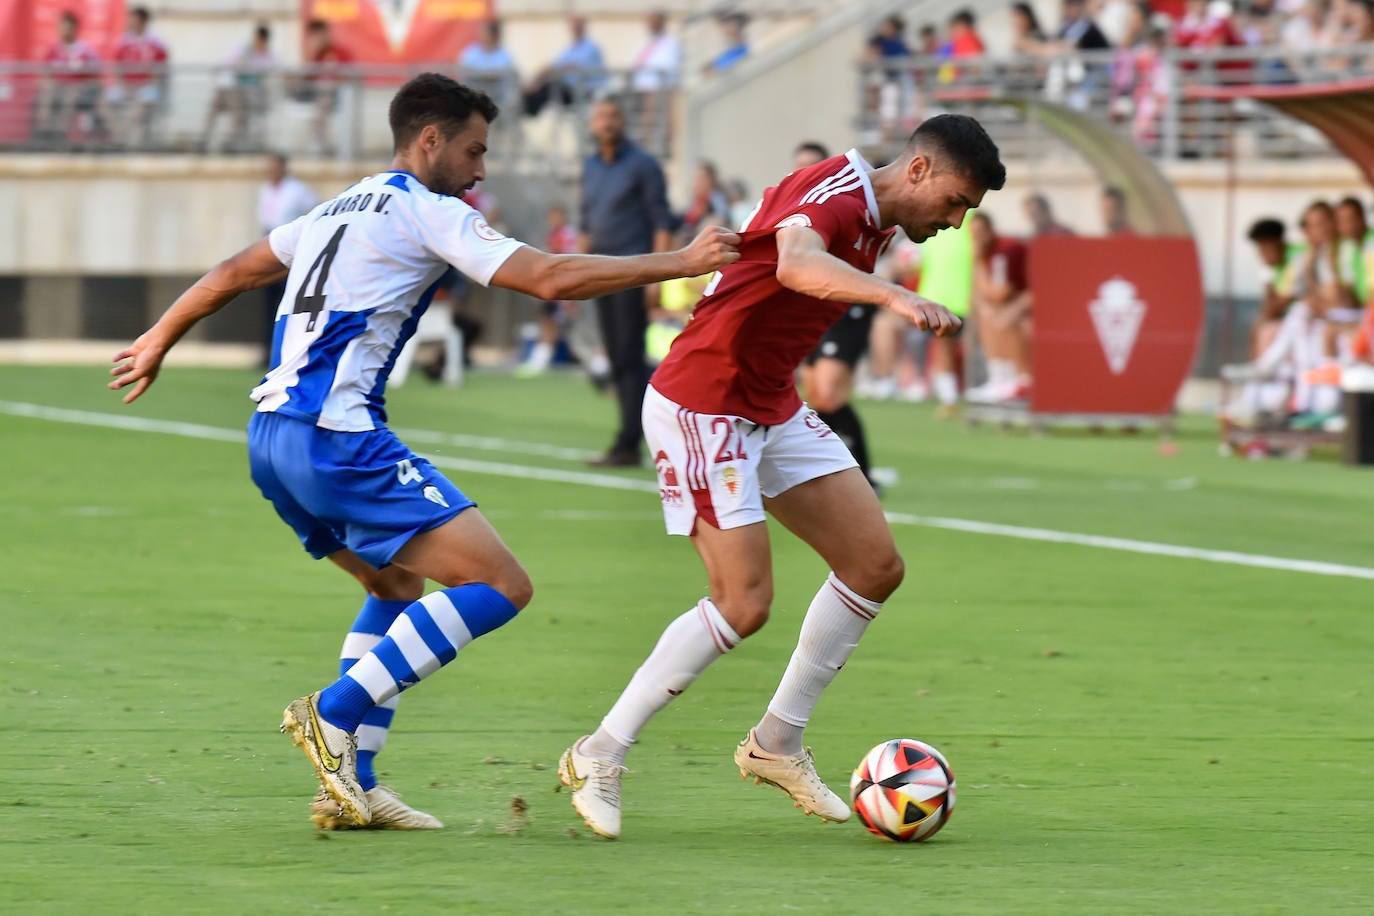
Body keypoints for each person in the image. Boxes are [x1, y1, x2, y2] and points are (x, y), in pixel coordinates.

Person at [108, 73, 739, 831]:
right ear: (430, 140)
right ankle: (332, 715)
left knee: (395, 586)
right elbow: (547, 277)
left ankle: (355, 786)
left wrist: (157, 339)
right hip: (335, 440)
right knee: (502, 585)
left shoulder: (338, 206)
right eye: (473, 150)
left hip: (270, 438)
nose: (481, 170)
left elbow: (235, 272)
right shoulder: (424, 210)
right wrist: (681, 262)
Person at [557, 114, 1005, 840]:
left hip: (768, 403)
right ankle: (599, 752)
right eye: (955, 201)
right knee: (744, 602)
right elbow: (796, 264)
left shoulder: (879, 219)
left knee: (873, 565)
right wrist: (895, 298)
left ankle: (776, 743)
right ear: (919, 170)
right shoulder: (832, 191)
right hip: (704, 402)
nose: (955, 221)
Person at [579, 98, 676, 468]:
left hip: (632, 271)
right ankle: (630, 438)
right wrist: (576, 272)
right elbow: (586, 223)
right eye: (601, 116)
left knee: (631, 359)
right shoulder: (590, 167)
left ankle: (630, 442)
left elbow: (662, 222)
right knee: (619, 359)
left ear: (624, 122)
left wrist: (657, 275)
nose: (607, 123)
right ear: (592, 124)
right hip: (600, 273)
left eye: (613, 116)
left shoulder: (643, 165)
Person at [793, 141, 881, 489]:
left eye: (812, 165)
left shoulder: (843, 203)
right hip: (814, 302)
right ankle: (834, 472)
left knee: (829, 394)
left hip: (847, 305)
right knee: (815, 395)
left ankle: (864, 474)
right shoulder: (798, 205)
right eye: (800, 166)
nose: (806, 173)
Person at [256, 153, 319, 367]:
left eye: (273, 167)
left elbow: (315, 211)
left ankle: (290, 355)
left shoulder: (297, 190)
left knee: (290, 307)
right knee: (267, 308)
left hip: (291, 254)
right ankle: (267, 354)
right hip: (270, 248)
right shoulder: (265, 189)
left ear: (283, 168)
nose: (270, 171)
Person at [966, 211, 1032, 403]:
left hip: (1035, 297)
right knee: (988, 315)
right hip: (1019, 298)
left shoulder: (1005, 250)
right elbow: (977, 295)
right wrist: (985, 306)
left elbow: (1000, 292)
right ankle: (999, 377)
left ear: (990, 230)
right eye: (973, 234)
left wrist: (977, 263)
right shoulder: (987, 253)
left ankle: (1020, 378)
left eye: (979, 233)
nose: (976, 239)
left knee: (1003, 318)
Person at [202, 23, 276, 153]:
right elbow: (228, 66)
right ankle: (204, 138)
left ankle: (235, 141)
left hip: (251, 96)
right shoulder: (243, 50)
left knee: (236, 100)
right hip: (232, 91)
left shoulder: (268, 59)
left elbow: (264, 80)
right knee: (218, 100)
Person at [37, 11, 104, 148]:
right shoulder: (53, 50)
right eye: (62, 27)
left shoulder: (86, 51)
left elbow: (95, 76)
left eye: (67, 28)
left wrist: (82, 86)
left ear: (75, 29)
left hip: (79, 93)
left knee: (71, 94)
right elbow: (45, 74)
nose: (64, 31)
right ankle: (43, 132)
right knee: (46, 95)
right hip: (57, 90)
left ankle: (61, 133)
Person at [107, 6, 169, 149]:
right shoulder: (123, 41)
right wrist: (124, 86)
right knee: (103, 104)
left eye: (133, 19)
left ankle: (121, 138)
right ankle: (119, 135)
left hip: (147, 87)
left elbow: (159, 72)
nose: (129, 22)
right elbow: (116, 68)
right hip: (126, 86)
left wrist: (141, 86)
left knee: (143, 102)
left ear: (143, 21)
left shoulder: (156, 42)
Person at [522, 16, 605, 117]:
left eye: (577, 25)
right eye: (573, 26)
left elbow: (573, 67)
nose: (574, 28)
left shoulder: (591, 47)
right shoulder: (571, 48)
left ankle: (528, 111)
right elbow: (554, 65)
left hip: (581, 92)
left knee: (548, 88)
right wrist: (537, 80)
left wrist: (544, 76)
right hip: (568, 89)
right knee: (543, 83)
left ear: (583, 26)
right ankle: (526, 105)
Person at [295, 19, 353, 156]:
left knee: (323, 100)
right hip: (313, 95)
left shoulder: (341, 52)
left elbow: (350, 76)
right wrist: (312, 54)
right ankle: (319, 142)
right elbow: (306, 78)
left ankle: (319, 144)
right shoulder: (316, 55)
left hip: (335, 97)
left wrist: (334, 77)